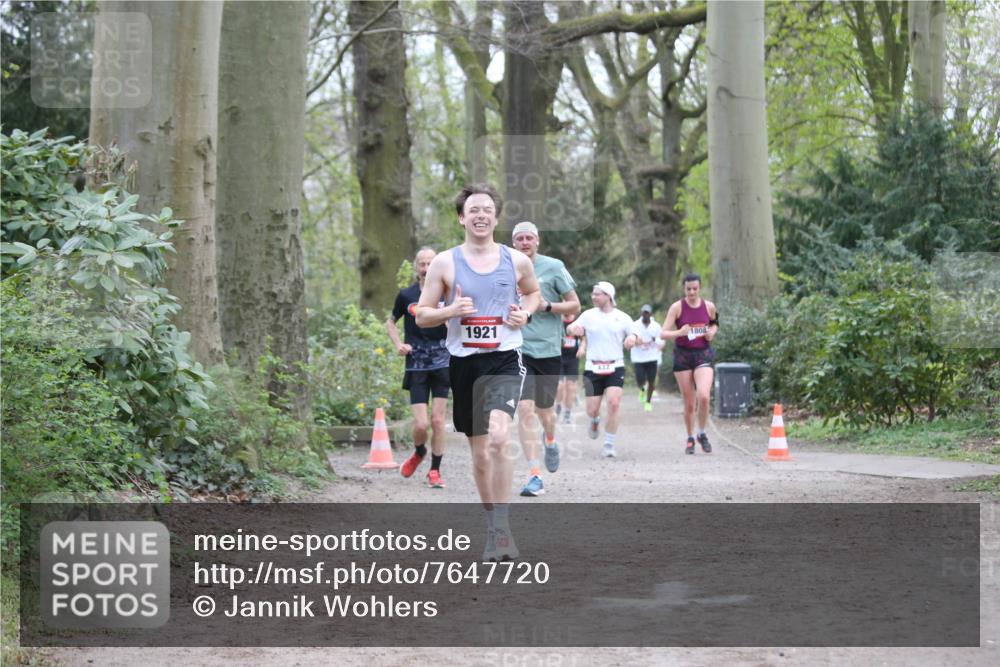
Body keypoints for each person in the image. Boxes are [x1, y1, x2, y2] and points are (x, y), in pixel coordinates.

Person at [415, 183, 540, 561]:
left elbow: (533, 294)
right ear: (461, 218)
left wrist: (526, 313)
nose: (481, 215)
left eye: (487, 209)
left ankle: (503, 529)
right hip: (463, 363)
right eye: (473, 210)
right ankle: (491, 525)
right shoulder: (445, 263)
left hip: (504, 357)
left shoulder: (516, 261)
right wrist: (449, 312)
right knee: (481, 455)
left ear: (496, 217)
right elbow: (422, 315)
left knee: (500, 439)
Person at [510, 221, 580, 497]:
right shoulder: (505, 267)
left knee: (545, 411)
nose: (525, 242)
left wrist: (548, 306)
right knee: (525, 410)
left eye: (529, 238)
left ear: (537, 241)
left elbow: (575, 304)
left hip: (549, 349)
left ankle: (550, 439)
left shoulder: (553, 267)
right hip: (518, 348)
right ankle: (534, 474)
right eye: (520, 239)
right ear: (514, 243)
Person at [386, 247, 451, 488]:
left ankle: (435, 470)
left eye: (430, 263)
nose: (425, 268)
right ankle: (419, 451)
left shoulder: (447, 293)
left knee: (437, 420)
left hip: (443, 362)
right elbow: (391, 322)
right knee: (421, 424)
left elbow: (461, 319)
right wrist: (398, 344)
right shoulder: (406, 295)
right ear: (417, 267)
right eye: (422, 264)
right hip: (416, 364)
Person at [566, 282, 637, 458]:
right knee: (592, 409)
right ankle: (595, 420)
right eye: (593, 293)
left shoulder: (623, 317)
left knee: (614, 403)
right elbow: (570, 327)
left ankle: (609, 444)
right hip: (593, 366)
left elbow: (635, 334)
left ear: (608, 296)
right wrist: (573, 328)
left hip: (615, 365)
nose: (593, 297)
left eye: (597, 294)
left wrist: (632, 339)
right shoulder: (588, 315)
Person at [660, 273, 719, 455]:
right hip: (683, 356)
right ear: (684, 289)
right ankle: (690, 437)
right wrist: (680, 332)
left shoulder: (709, 306)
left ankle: (701, 433)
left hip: (703, 354)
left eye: (695, 289)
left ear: (699, 288)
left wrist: (711, 333)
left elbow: (715, 323)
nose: (692, 292)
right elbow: (663, 333)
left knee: (703, 396)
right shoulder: (677, 308)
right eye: (688, 289)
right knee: (689, 403)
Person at [630, 304, 665, 412]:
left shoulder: (656, 326)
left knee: (651, 380)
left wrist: (655, 339)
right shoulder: (635, 325)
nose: (645, 315)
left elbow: (662, 341)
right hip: (638, 358)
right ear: (641, 313)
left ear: (650, 314)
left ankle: (648, 402)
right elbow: (630, 339)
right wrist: (636, 341)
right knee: (640, 380)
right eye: (644, 312)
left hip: (652, 357)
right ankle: (642, 389)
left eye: (647, 313)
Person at [556, 313, 581, 424]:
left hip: (573, 358)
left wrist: (582, 348)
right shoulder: (556, 319)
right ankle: (558, 406)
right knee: (559, 385)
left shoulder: (578, 320)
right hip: (558, 357)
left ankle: (567, 412)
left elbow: (584, 338)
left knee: (570, 387)